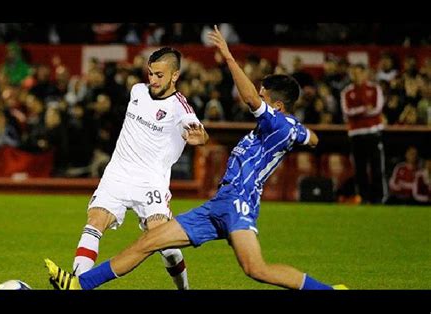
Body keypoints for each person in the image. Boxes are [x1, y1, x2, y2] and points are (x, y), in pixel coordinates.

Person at [45, 26, 347, 290]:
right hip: (219, 202)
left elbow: (246, 104)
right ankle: (78, 284)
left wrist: (228, 57)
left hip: (238, 204)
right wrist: (307, 135)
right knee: (149, 241)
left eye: (264, 95)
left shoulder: (274, 122)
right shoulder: (278, 127)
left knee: (256, 269)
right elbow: (313, 137)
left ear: (277, 106)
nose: (257, 96)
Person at [69, 47, 209, 290]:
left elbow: (196, 128)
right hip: (117, 175)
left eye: (159, 75)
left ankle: (184, 288)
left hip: (151, 183)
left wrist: (201, 137)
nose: (152, 80)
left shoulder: (179, 107)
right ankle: (76, 285)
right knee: (94, 222)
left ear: (174, 76)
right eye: (150, 74)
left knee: (163, 242)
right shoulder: (137, 91)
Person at [340, 63, 388, 204]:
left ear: (365, 73)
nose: (356, 75)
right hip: (356, 134)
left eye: (359, 72)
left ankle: (379, 198)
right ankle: (363, 197)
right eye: (353, 73)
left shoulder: (375, 89)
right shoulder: (347, 92)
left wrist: (358, 112)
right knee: (360, 168)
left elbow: (377, 109)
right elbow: (347, 112)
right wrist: (364, 109)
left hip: (373, 132)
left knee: (377, 167)